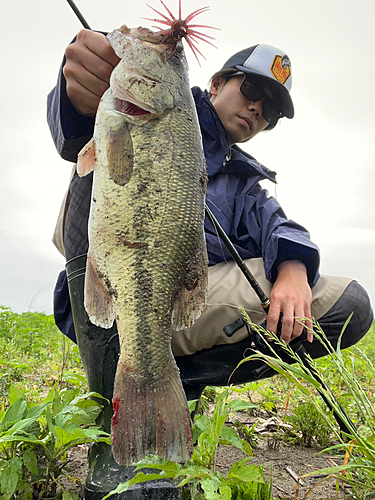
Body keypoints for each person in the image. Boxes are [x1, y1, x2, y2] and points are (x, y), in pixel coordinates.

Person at [47, 29, 373, 499]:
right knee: (91, 170)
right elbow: (74, 131)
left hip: (176, 313)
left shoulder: (246, 183)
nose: (260, 109)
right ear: (217, 83)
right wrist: (80, 91)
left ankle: (165, 390)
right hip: (102, 303)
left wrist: (295, 268)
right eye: (254, 90)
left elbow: (280, 225)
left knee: (350, 306)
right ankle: (112, 417)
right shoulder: (141, 103)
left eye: (273, 110)